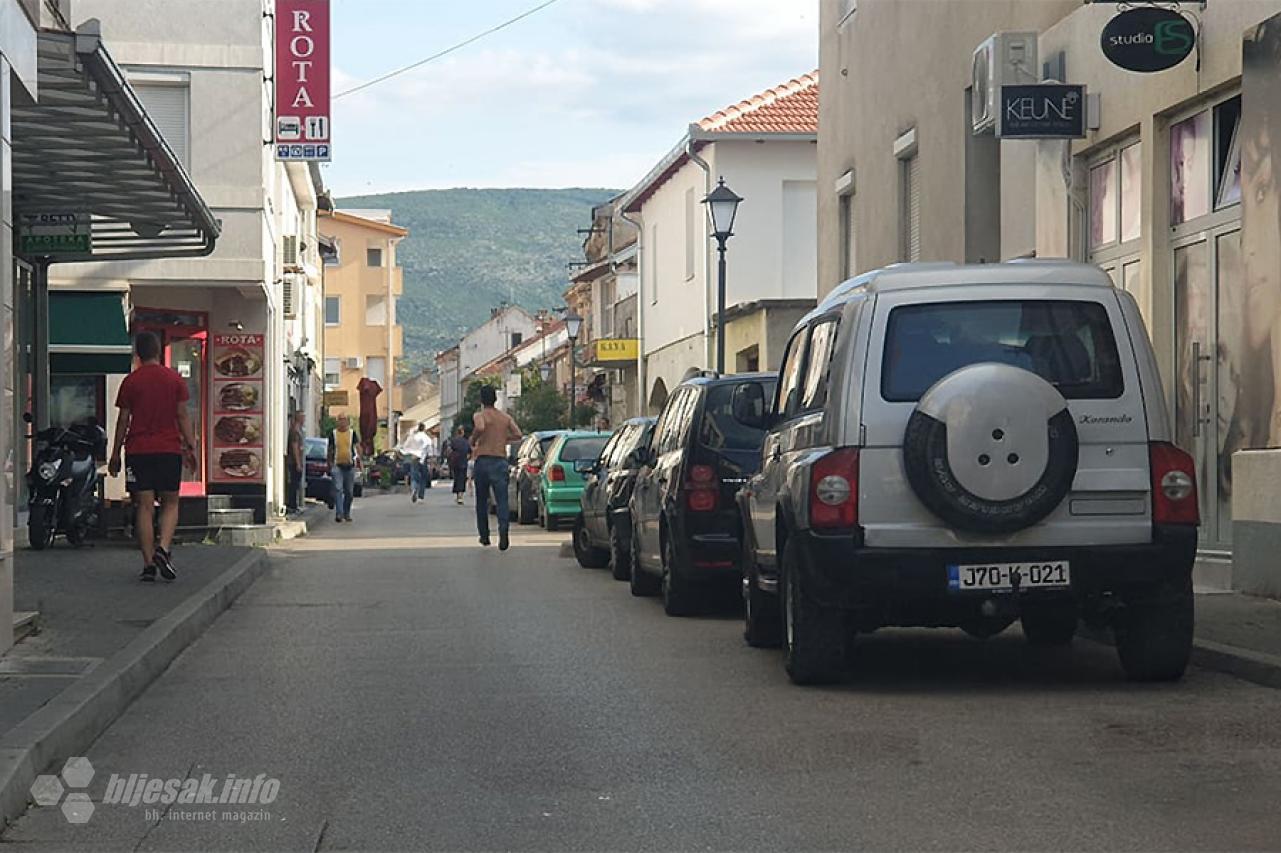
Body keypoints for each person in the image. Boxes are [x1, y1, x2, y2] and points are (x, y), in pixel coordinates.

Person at [107, 331, 198, 582]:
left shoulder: (131, 382)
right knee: (170, 503)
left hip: (138, 451)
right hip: (168, 450)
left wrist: (115, 453)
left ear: (138, 353)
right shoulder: (174, 380)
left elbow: (123, 419)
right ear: (158, 351)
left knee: (143, 506)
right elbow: (182, 416)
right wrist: (191, 446)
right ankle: (164, 548)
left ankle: (148, 564)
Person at [471, 385, 522, 550]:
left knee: (481, 500)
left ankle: (484, 536)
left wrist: (473, 439)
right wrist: (503, 438)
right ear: (495, 399)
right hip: (500, 461)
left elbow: (480, 427)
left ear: (481, 399)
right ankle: (503, 530)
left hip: (483, 459)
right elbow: (518, 434)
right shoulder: (505, 417)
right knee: (502, 500)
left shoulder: (480, 415)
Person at [326, 414, 362, 523]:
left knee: (349, 492)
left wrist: (359, 459)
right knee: (338, 489)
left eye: (344, 420)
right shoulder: (333, 434)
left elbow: (358, 447)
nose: (342, 422)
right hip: (337, 466)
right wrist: (330, 464)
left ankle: (347, 513)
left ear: (347, 422)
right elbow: (330, 449)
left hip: (350, 466)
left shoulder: (352, 433)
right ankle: (339, 513)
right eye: (340, 420)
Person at [399, 422, 434, 503]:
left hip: (414, 457)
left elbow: (405, 446)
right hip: (422, 458)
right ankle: (420, 497)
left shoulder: (413, 437)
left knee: (414, 476)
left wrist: (405, 452)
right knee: (423, 477)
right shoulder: (426, 438)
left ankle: (414, 489)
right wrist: (432, 461)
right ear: (424, 429)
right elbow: (430, 450)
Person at [445, 426, 471, 505]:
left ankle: (458, 496)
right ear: (462, 432)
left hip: (455, 462)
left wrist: (449, 459)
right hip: (463, 462)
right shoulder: (466, 441)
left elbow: (449, 450)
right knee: (462, 479)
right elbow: (469, 452)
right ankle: (461, 496)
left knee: (456, 478)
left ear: (457, 432)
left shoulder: (453, 441)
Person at [285, 411, 305, 515]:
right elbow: (295, 447)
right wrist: (298, 463)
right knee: (294, 484)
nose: (304, 419)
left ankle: (294, 505)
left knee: (296, 484)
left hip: (296, 461)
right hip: (293, 462)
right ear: (299, 418)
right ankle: (292, 505)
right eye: (303, 417)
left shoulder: (298, 430)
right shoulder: (295, 431)